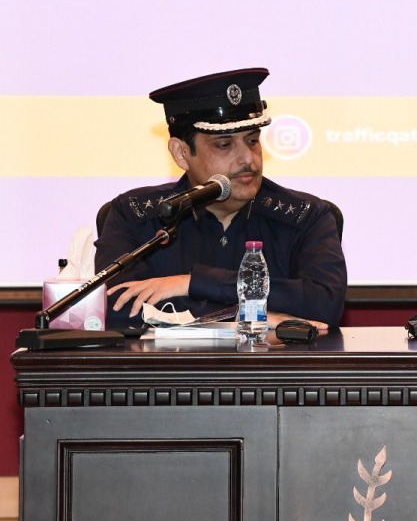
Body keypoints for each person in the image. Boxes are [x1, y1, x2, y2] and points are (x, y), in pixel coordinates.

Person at [95, 68, 348, 327]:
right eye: (224, 145)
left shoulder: (306, 216)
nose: (248, 159)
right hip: (172, 368)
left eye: (252, 141)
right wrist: (244, 317)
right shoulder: (135, 215)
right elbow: (119, 308)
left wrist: (190, 284)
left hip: (270, 368)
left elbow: (323, 305)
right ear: (182, 153)